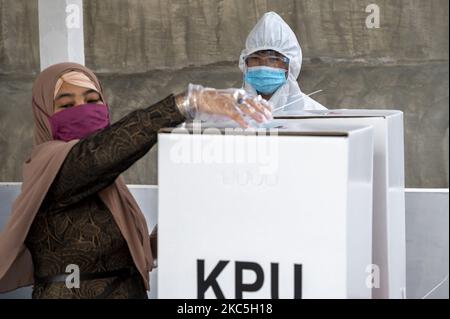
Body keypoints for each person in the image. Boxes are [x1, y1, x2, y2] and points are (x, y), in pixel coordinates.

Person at [0, 62, 271, 298]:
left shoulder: (107, 183)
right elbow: (102, 152)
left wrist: (167, 233)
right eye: (67, 104)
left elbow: (117, 257)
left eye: (92, 100)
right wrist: (189, 102)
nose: (82, 109)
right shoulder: (52, 167)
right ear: (44, 114)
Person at [239, 11, 327, 114]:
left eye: (273, 59)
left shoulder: (316, 115)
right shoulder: (229, 112)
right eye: (255, 58)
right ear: (245, 63)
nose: (263, 66)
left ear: (291, 65)